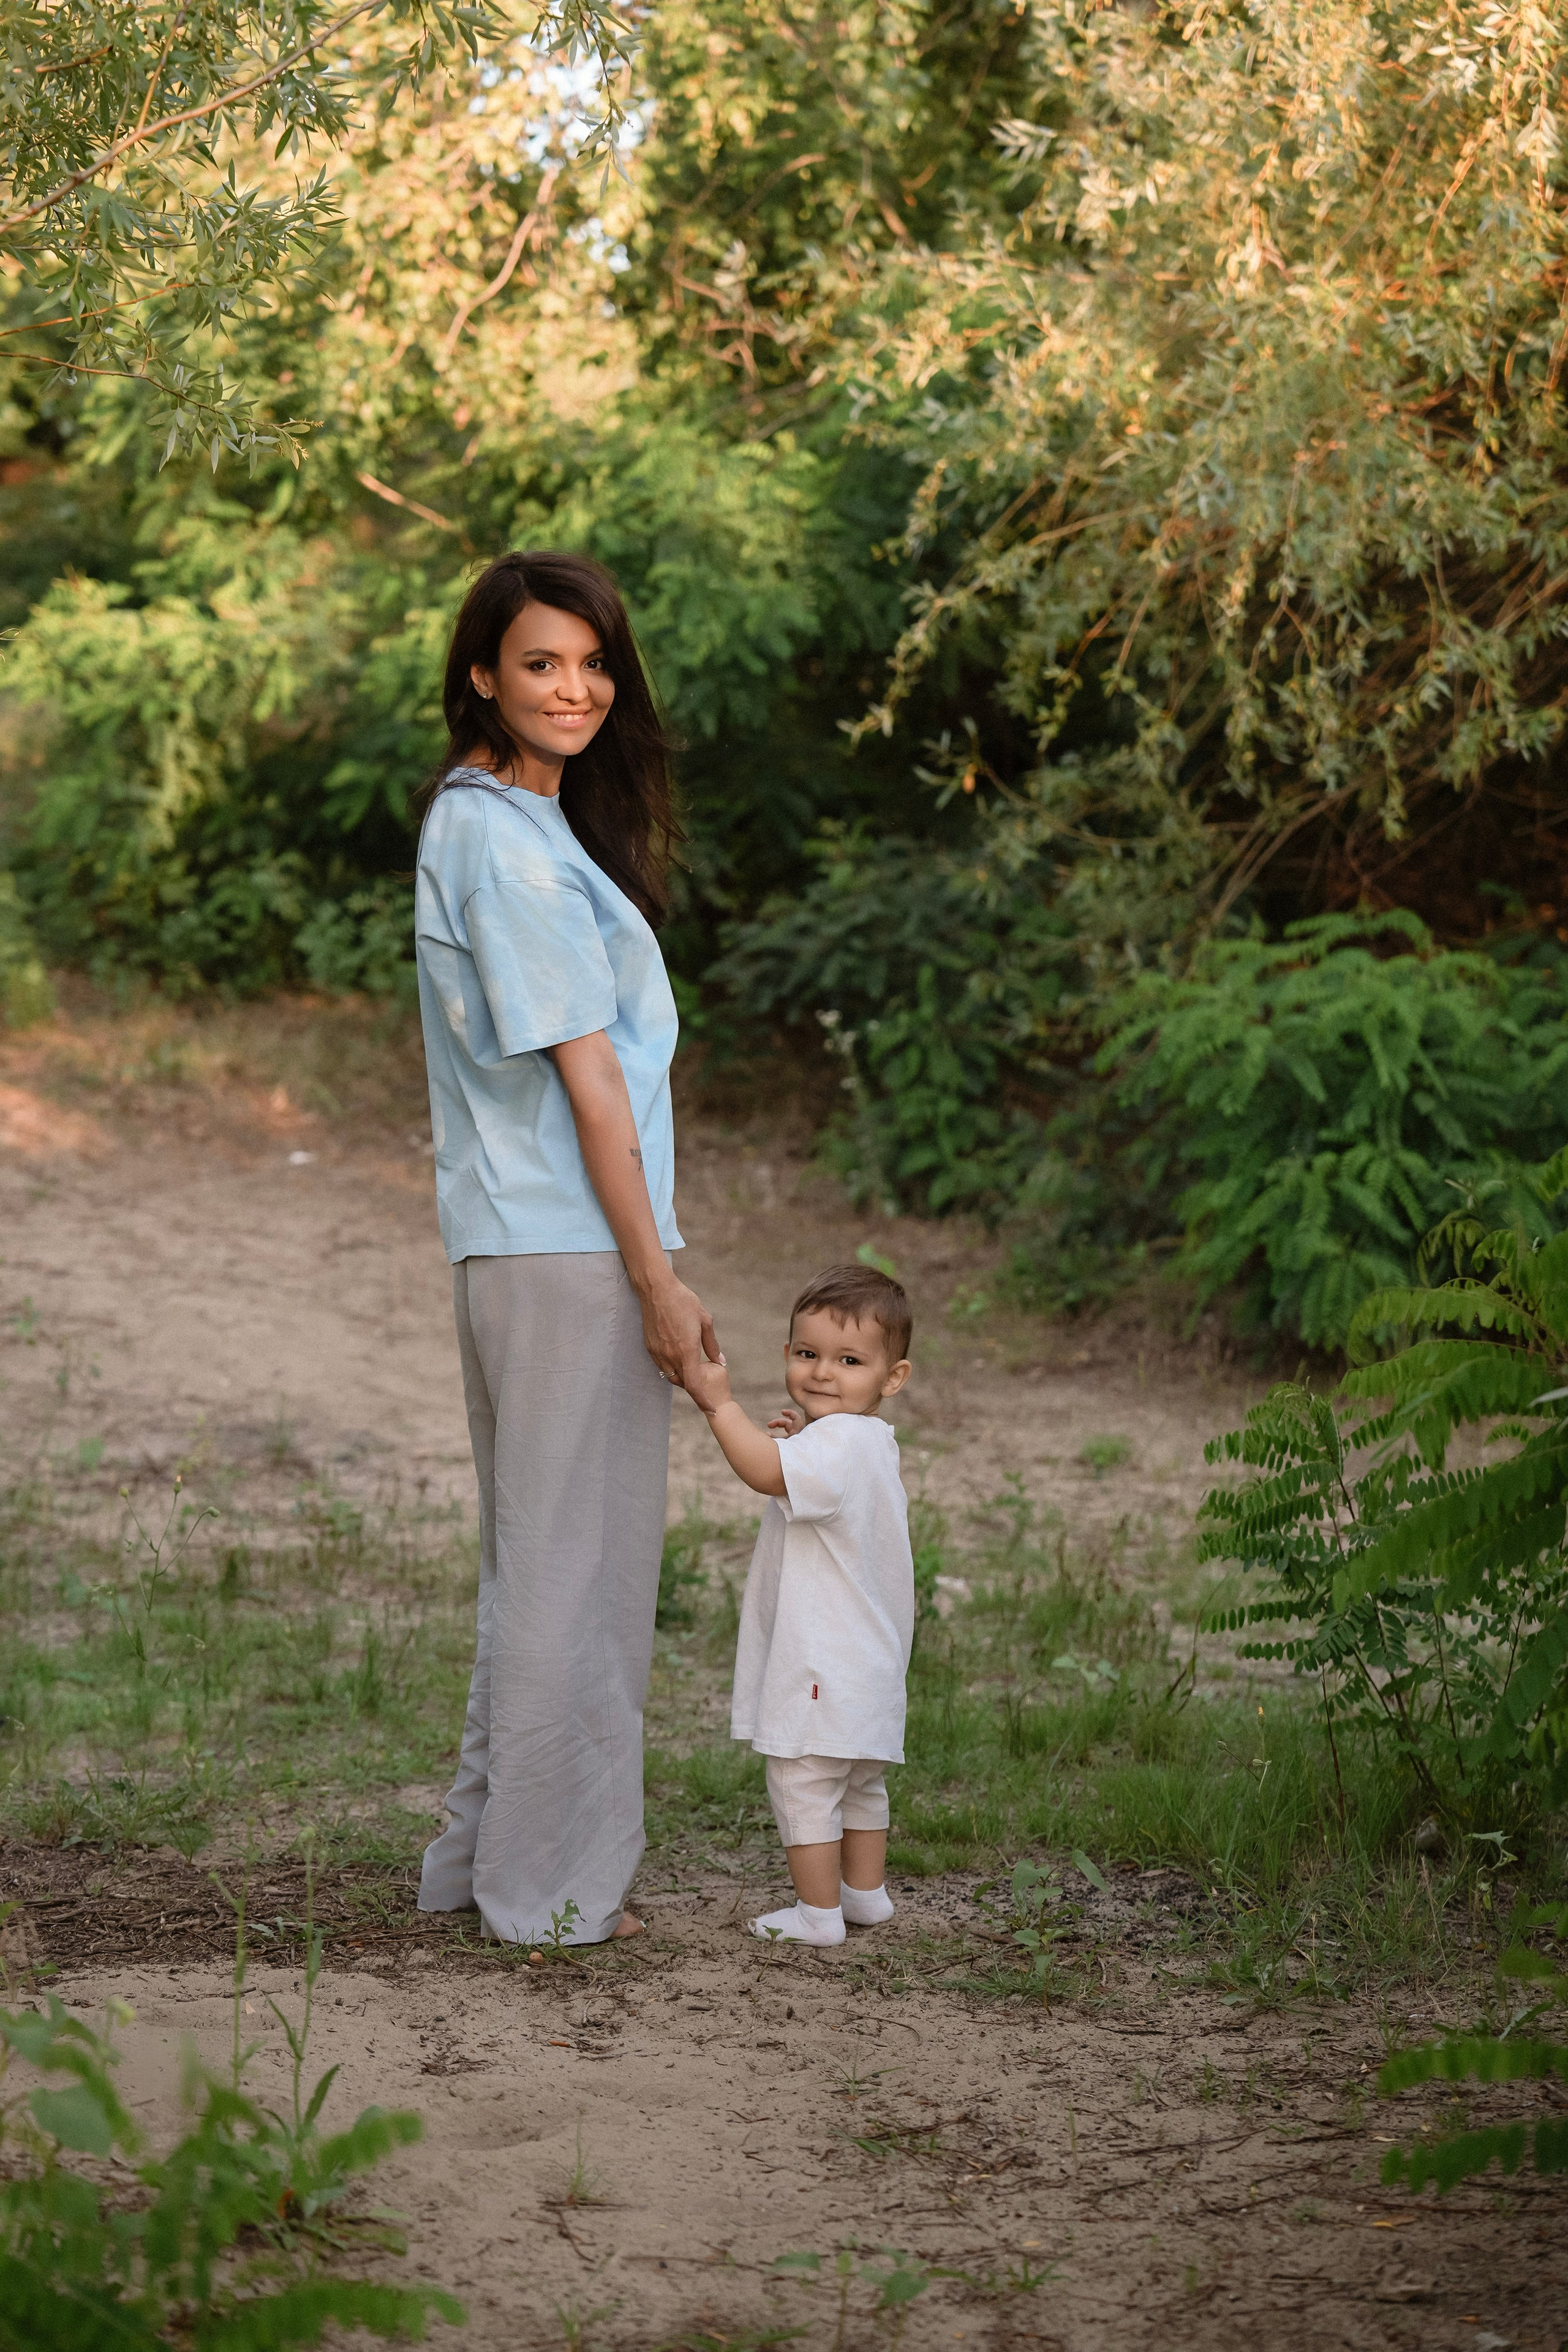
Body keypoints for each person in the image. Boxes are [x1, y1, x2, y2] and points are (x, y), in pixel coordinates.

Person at [411, 548, 722, 1948]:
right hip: (565, 1246)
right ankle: (546, 1893)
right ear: (483, 673)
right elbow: (590, 1083)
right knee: (572, 1570)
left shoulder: (518, 823)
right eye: (541, 662)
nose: (575, 688)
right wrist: (658, 1280)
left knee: (539, 1559)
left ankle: (488, 1864)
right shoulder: (500, 840)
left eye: (592, 664)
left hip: (534, 1239)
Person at [696, 1262, 914, 1947]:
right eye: (808, 1353)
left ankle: (818, 1916)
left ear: (893, 1377)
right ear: (788, 1351)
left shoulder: (838, 1442)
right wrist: (800, 1442)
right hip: (870, 1663)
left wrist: (720, 1407)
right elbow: (813, 1484)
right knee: (860, 1784)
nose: (822, 1372)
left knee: (803, 1782)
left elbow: (764, 1471)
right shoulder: (869, 1442)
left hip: (823, 1661)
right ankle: (864, 1896)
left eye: (849, 1361)